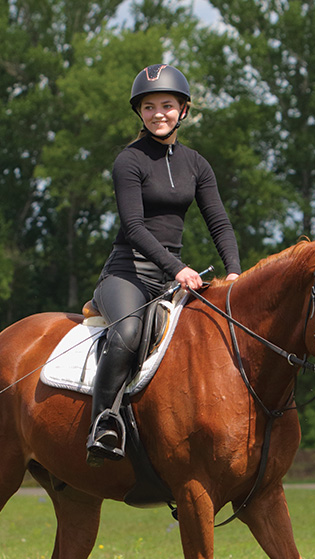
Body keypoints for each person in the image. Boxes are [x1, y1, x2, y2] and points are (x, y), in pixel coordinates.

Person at [86, 63, 242, 463]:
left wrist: (235, 273)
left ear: (183, 110)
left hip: (172, 277)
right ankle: (103, 423)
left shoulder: (197, 164)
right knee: (128, 332)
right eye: (150, 106)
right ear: (140, 112)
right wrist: (177, 268)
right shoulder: (129, 161)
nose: (159, 113)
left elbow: (219, 222)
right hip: (128, 273)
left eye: (168, 105)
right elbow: (134, 227)